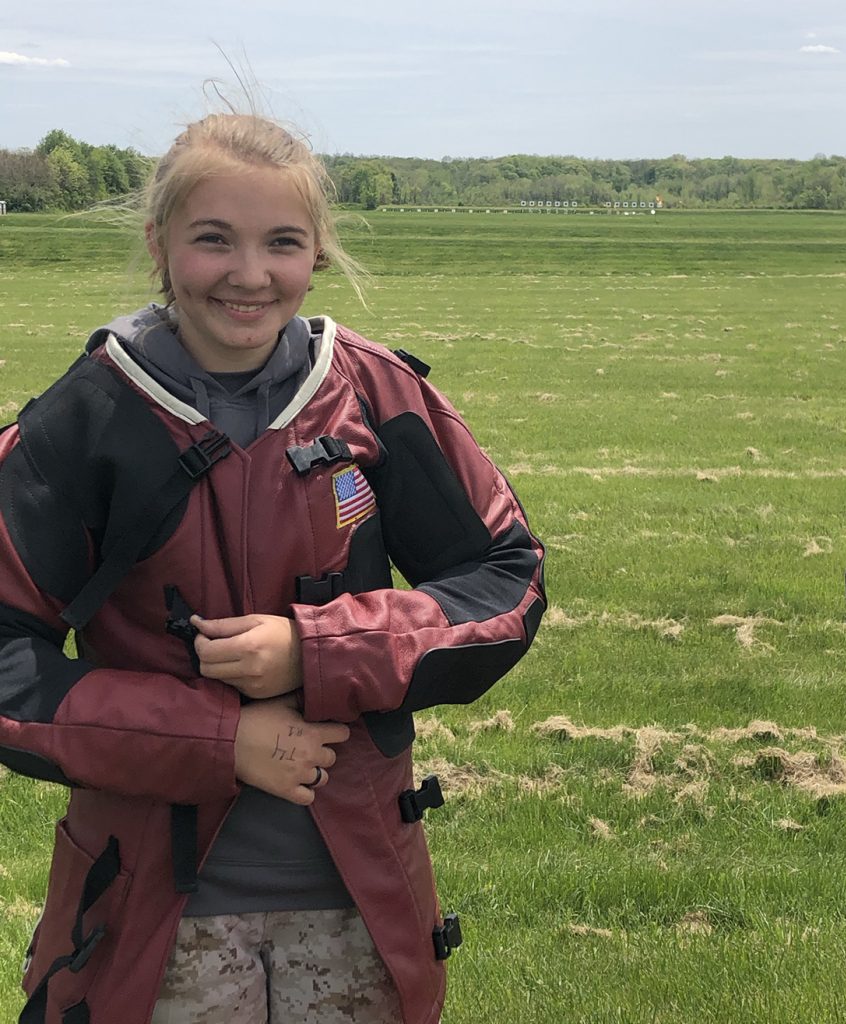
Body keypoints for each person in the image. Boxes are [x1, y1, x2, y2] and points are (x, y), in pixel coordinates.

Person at [0, 110, 546, 1024]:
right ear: (159, 246)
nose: (249, 275)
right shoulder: (81, 421)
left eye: (281, 243)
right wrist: (217, 740)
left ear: (318, 253)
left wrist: (319, 650)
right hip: (149, 934)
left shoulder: (376, 396)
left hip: (360, 919)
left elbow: (505, 577)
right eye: (213, 239)